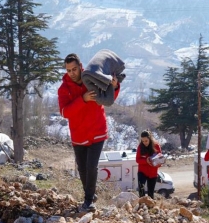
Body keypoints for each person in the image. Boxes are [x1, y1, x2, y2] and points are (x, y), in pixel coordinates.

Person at [57, 53, 120, 211]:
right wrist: (83, 99)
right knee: (82, 168)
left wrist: (115, 86)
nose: (72, 73)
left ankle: (89, 200)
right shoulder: (63, 89)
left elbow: (108, 98)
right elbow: (65, 112)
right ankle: (90, 193)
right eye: (68, 70)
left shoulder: (92, 78)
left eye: (74, 69)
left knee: (91, 166)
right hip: (78, 135)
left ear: (80, 66)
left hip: (97, 131)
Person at [135, 130, 162, 199]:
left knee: (150, 193)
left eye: (146, 141)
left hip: (152, 173)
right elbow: (137, 160)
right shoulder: (140, 147)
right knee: (141, 190)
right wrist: (146, 160)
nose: (144, 143)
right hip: (142, 172)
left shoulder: (156, 146)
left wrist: (157, 163)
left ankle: (150, 207)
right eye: (143, 141)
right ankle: (142, 206)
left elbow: (160, 159)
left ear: (150, 139)